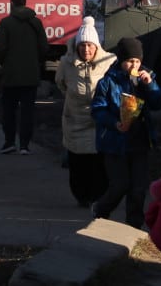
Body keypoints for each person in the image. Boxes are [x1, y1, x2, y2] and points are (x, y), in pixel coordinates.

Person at [89, 36, 161, 227]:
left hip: (139, 140)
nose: (134, 65)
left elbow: (157, 103)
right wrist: (114, 123)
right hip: (115, 141)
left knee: (138, 188)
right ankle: (101, 210)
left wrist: (150, 85)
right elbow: (98, 109)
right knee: (120, 184)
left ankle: (134, 225)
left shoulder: (145, 78)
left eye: (138, 61)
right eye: (130, 60)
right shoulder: (108, 81)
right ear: (121, 60)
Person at [54, 16, 116, 205]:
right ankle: (82, 196)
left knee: (98, 162)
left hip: (100, 120)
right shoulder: (67, 64)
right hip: (75, 120)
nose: (86, 49)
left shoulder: (109, 62)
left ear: (96, 46)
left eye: (90, 45)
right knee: (78, 162)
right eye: (83, 45)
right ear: (77, 46)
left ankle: (98, 196)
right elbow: (60, 84)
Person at [0, 0, 49, 154]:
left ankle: (9, 142)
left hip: (10, 74)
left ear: (11, 3)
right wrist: (35, 62)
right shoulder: (36, 23)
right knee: (27, 112)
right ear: (25, 2)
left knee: (9, 110)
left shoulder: (5, 23)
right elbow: (44, 48)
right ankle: (25, 145)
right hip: (31, 74)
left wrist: (4, 62)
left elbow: (0, 48)